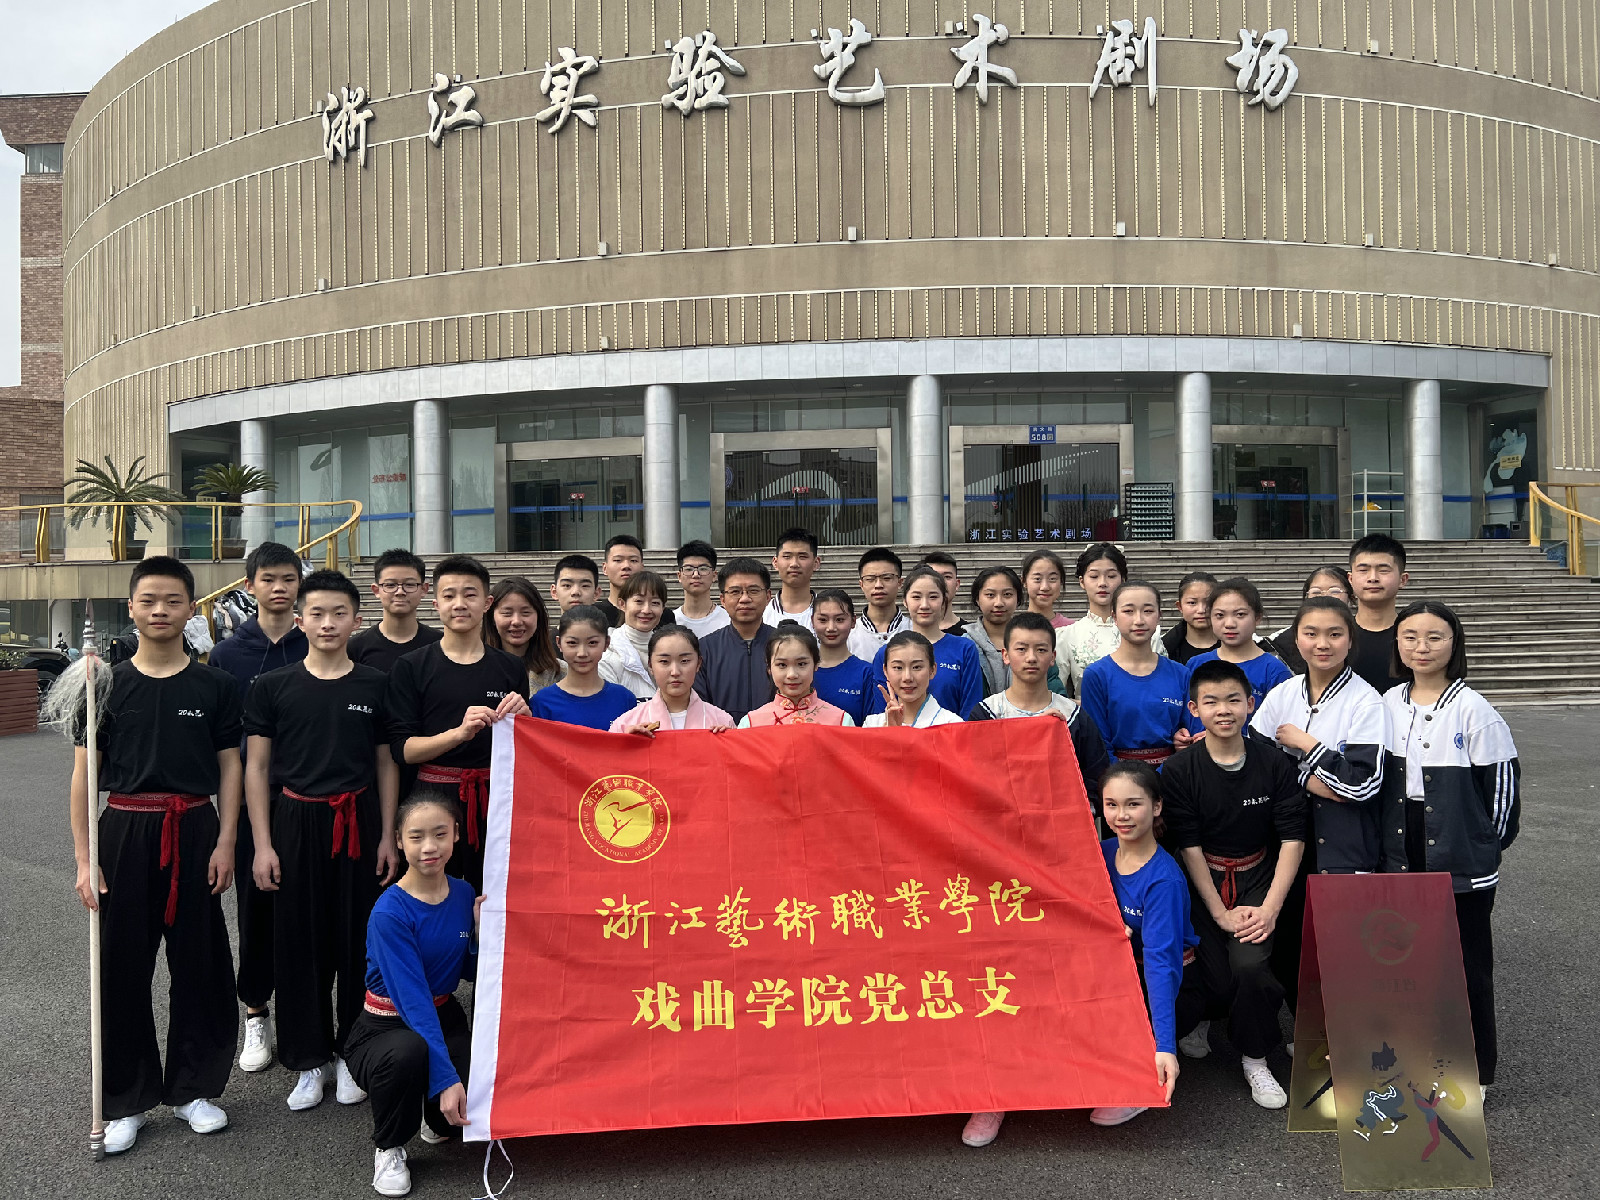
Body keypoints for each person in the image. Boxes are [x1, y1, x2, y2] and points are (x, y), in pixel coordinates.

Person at [68, 557, 242, 1154]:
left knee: (201, 964)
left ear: (191, 608)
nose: (160, 610)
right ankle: (125, 1099)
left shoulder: (215, 685)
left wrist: (226, 841)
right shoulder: (104, 684)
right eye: (148, 600)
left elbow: (230, 767)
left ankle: (195, 1089)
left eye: (172, 600)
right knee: (120, 969)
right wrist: (85, 860)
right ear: (132, 608)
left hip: (194, 827)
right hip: (125, 830)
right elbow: (83, 776)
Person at [960, 759, 1196, 1147]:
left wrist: (1164, 1046)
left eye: (1134, 804)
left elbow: (1161, 965)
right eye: (1112, 805)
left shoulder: (1164, 880)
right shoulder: (1099, 852)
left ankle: (1134, 1078)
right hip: (1098, 967)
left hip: (1147, 981)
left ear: (1156, 807)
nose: (1122, 816)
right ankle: (994, 1093)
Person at [243, 570, 399, 1113]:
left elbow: (386, 764)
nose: (328, 623)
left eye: (339, 613)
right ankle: (309, 1060)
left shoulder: (376, 684)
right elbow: (256, 768)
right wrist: (263, 845)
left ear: (357, 620)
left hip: (360, 821)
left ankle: (353, 1054)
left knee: (358, 942)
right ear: (300, 620)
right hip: (295, 822)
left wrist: (388, 836)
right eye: (317, 614)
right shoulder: (272, 686)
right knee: (300, 944)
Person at [1381, 601, 1520, 1096]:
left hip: (1460, 853)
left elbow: (1502, 795)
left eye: (1435, 637)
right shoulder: (1388, 702)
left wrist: (1482, 845)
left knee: (1467, 966)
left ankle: (1476, 1071)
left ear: (1454, 643)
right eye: (1410, 636)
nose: (1421, 647)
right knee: (1408, 964)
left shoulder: (1474, 709)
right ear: (1397, 644)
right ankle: (1415, 1057)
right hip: (1401, 849)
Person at [1162, 660, 1306, 1110]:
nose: (1223, 710)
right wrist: (1219, 913)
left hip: (1259, 876)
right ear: (1193, 709)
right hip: (1201, 880)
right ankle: (1207, 1014)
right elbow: (1188, 845)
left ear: (1250, 703)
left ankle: (1255, 1058)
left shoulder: (1274, 763)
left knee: (1249, 966)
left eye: (1232, 700)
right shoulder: (1180, 769)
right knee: (1212, 973)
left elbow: (1292, 838)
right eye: (1210, 702)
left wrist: (1270, 909)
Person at [1252, 596, 1388, 1009]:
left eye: (1334, 634)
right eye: (1311, 633)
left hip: (1341, 844)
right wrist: (1316, 780)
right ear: (1297, 639)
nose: (1322, 644)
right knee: (1290, 940)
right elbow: (1259, 765)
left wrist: (1306, 745)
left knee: (1341, 946)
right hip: (1285, 840)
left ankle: (1343, 1036)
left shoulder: (1366, 701)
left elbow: (1361, 786)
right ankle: (1303, 1030)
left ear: (1351, 640)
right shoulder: (1283, 694)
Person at [343, 790, 479, 1198]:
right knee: (409, 1054)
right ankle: (389, 1147)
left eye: (440, 834)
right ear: (400, 841)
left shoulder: (464, 893)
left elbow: (466, 971)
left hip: (444, 1014)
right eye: (416, 837)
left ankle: (430, 1115)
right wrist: (445, 1078)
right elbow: (414, 1001)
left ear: (456, 834)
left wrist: (477, 936)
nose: (429, 847)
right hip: (386, 1027)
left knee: (451, 1121)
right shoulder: (390, 912)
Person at [209, 540, 307, 1075]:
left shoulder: (316, 639)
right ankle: (255, 1011)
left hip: (309, 797)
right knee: (255, 908)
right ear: (249, 586)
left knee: (306, 909)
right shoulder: (228, 654)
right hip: (253, 801)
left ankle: (307, 1016)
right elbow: (224, 742)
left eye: (288, 578)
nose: (279, 588)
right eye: (268, 579)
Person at [387, 555, 531, 894]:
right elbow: (402, 750)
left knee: (493, 893)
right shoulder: (411, 666)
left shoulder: (510, 667)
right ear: (435, 603)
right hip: (433, 798)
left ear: (487, 603)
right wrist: (458, 734)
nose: (460, 604)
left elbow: (521, 749)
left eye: (470, 594)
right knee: (435, 893)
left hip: (496, 798)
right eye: (449, 595)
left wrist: (526, 721)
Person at [966, 612, 1109, 808]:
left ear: (1053, 657)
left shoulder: (1072, 716)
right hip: (1003, 818)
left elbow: (1096, 776)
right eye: (1021, 649)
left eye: (1041, 650)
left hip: (1060, 817)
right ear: (1005, 655)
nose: (1031, 658)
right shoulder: (987, 714)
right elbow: (975, 777)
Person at [1078, 581, 1192, 768]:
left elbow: (1190, 733)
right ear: (1114, 617)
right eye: (1128, 611)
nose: (1139, 620)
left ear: (1159, 616)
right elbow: (1099, 744)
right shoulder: (1097, 675)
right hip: (1118, 776)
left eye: (1148, 611)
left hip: (1173, 774)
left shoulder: (1181, 674)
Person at [866, 566, 983, 723]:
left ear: (943, 601)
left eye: (933, 597)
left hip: (951, 733)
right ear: (905, 601)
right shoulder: (886, 652)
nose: (924, 605)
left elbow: (971, 709)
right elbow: (883, 708)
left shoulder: (964, 649)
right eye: (916, 597)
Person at [1180, 579, 1293, 733]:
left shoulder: (1274, 671)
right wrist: (1181, 733)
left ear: (1257, 617)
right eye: (1220, 615)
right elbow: (1186, 716)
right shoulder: (1195, 664)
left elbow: (1282, 728)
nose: (1229, 624)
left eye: (1240, 614)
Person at [1055, 542, 1166, 698]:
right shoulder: (1067, 636)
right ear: (1082, 581)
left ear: (1123, 579)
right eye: (1094, 576)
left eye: (1111, 576)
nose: (1102, 583)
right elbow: (1057, 696)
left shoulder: (1145, 631)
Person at [528, 605, 643, 730]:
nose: (582, 653)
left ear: (606, 643)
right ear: (559, 643)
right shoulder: (542, 703)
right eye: (572, 643)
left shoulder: (624, 699)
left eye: (592, 643)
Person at [694, 558, 777, 724]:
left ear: (768, 596)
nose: (744, 598)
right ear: (723, 600)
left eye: (753, 591)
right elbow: (698, 706)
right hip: (721, 735)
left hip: (774, 735)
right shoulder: (705, 649)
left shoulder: (785, 645)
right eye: (735, 592)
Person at [609, 626, 735, 732]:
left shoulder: (722, 722)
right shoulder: (626, 725)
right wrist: (626, 745)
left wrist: (728, 741)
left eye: (684, 661)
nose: (675, 672)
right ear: (651, 666)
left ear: (698, 664)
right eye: (664, 661)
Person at [740, 623, 854, 726]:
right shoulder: (750, 723)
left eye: (801, 664)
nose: (792, 675)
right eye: (782, 665)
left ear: (816, 664)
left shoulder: (841, 721)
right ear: (769, 667)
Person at [349, 549, 442, 673]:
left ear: (424, 589)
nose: (400, 592)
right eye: (390, 585)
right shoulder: (354, 648)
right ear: (376, 590)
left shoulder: (440, 644)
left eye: (409, 584)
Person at [1348, 534, 1409, 693]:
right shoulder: (1338, 636)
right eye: (1363, 570)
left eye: (1383, 570)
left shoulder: (1415, 638)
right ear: (1350, 579)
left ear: (1403, 579)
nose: (1373, 578)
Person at [864, 631, 964, 727]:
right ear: (885, 671)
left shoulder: (953, 724)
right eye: (898, 667)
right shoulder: (872, 725)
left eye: (916, 667)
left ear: (932, 670)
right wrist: (890, 732)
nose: (907, 677)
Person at [485, 577, 562, 694]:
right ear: (492, 618)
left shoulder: (560, 672)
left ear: (539, 616)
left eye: (526, 613)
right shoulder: (477, 668)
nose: (516, 621)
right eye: (507, 613)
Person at [1270, 566, 1352, 674]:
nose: (1325, 596)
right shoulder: (1282, 641)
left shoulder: (1363, 633)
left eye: (1334, 591)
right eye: (1316, 592)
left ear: (1350, 596)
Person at [600, 571, 669, 699]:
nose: (646, 610)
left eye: (655, 603)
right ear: (622, 604)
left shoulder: (670, 650)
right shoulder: (607, 653)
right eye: (639, 601)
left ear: (663, 608)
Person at [811, 589, 874, 726]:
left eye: (839, 620)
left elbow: (871, 726)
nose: (831, 627)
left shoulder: (866, 673)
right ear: (812, 621)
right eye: (823, 620)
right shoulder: (802, 671)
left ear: (853, 621)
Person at [968, 566, 1023, 695]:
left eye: (1007, 594)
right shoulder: (965, 644)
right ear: (977, 599)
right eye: (990, 595)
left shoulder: (1033, 641)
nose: (999, 603)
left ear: (1018, 598)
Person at [848, 547, 910, 659]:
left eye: (886, 578)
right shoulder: (848, 634)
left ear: (900, 582)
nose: (878, 585)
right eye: (870, 579)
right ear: (861, 584)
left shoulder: (913, 629)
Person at [765, 527, 821, 629]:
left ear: (816, 563)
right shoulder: (762, 615)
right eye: (787, 556)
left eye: (802, 557)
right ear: (775, 562)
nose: (794, 564)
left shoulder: (829, 615)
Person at [673, 540, 731, 638]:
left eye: (703, 569)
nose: (696, 575)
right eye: (689, 569)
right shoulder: (671, 620)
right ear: (679, 576)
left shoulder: (728, 620)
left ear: (714, 575)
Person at [1162, 571, 1219, 665]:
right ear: (1180, 606)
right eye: (1192, 603)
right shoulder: (1163, 649)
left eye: (1208, 602)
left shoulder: (1235, 643)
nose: (1201, 610)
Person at [595, 535, 644, 627]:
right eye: (618, 560)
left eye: (633, 560)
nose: (626, 566)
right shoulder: (593, 615)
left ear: (642, 568)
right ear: (605, 568)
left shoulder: (658, 615)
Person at [917, 551, 967, 635]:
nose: (941, 582)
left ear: (957, 584)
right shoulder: (906, 633)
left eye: (947, 577)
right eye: (934, 576)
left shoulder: (969, 635)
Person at [1021, 550, 1072, 629]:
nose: (1045, 587)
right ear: (1024, 581)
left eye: (1052, 579)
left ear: (1061, 581)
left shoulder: (1072, 629)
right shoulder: (1013, 629)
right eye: (1037, 579)